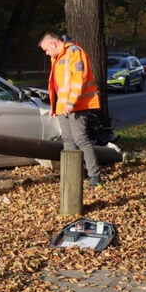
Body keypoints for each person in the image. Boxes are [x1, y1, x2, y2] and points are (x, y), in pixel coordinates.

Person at [39, 32, 103, 187]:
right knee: (68, 140)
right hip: (64, 106)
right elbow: (57, 86)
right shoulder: (57, 57)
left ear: (53, 44)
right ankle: (72, 175)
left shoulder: (73, 51)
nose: (47, 54)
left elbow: (78, 78)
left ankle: (94, 176)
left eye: (46, 50)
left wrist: (70, 103)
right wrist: (56, 107)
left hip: (77, 105)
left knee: (80, 138)